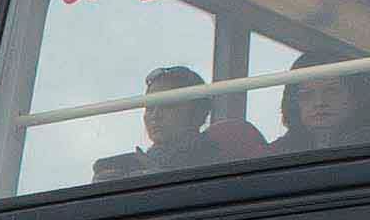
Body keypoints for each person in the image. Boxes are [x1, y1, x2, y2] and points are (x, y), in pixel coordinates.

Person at [91, 64, 253, 181]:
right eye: (149, 108)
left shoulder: (212, 161)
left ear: (197, 112)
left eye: (168, 105)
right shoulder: (137, 164)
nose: (154, 115)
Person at [278, 70, 370, 156]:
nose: (319, 102)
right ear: (294, 105)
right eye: (306, 94)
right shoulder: (279, 154)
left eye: (332, 91)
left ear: (354, 97)